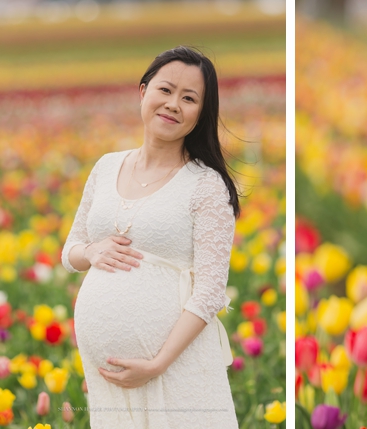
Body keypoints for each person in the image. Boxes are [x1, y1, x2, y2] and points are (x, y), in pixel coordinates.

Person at [62, 46, 241, 428]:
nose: (174, 104)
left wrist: (156, 364)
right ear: (143, 92)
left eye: (189, 98)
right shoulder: (107, 166)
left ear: (200, 115)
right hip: (108, 381)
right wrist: (91, 251)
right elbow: (70, 251)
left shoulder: (206, 186)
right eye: (166, 90)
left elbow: (210, 292)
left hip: (176, 369)